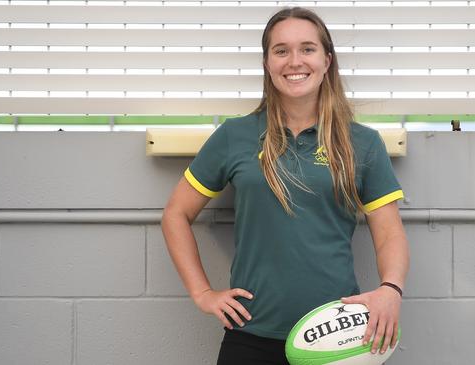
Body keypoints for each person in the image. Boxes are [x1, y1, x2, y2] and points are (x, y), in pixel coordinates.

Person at [161, 7, 409, 365]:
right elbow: (175, 214)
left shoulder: (363, 143)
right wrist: (202, 293)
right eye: (281, 50)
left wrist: (391, 290)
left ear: (327, 60)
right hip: (250, 335)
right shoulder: (235, 135)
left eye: (307, 49)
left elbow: (390, 234)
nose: (295, 61)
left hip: (336, 337)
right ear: (267, 62)